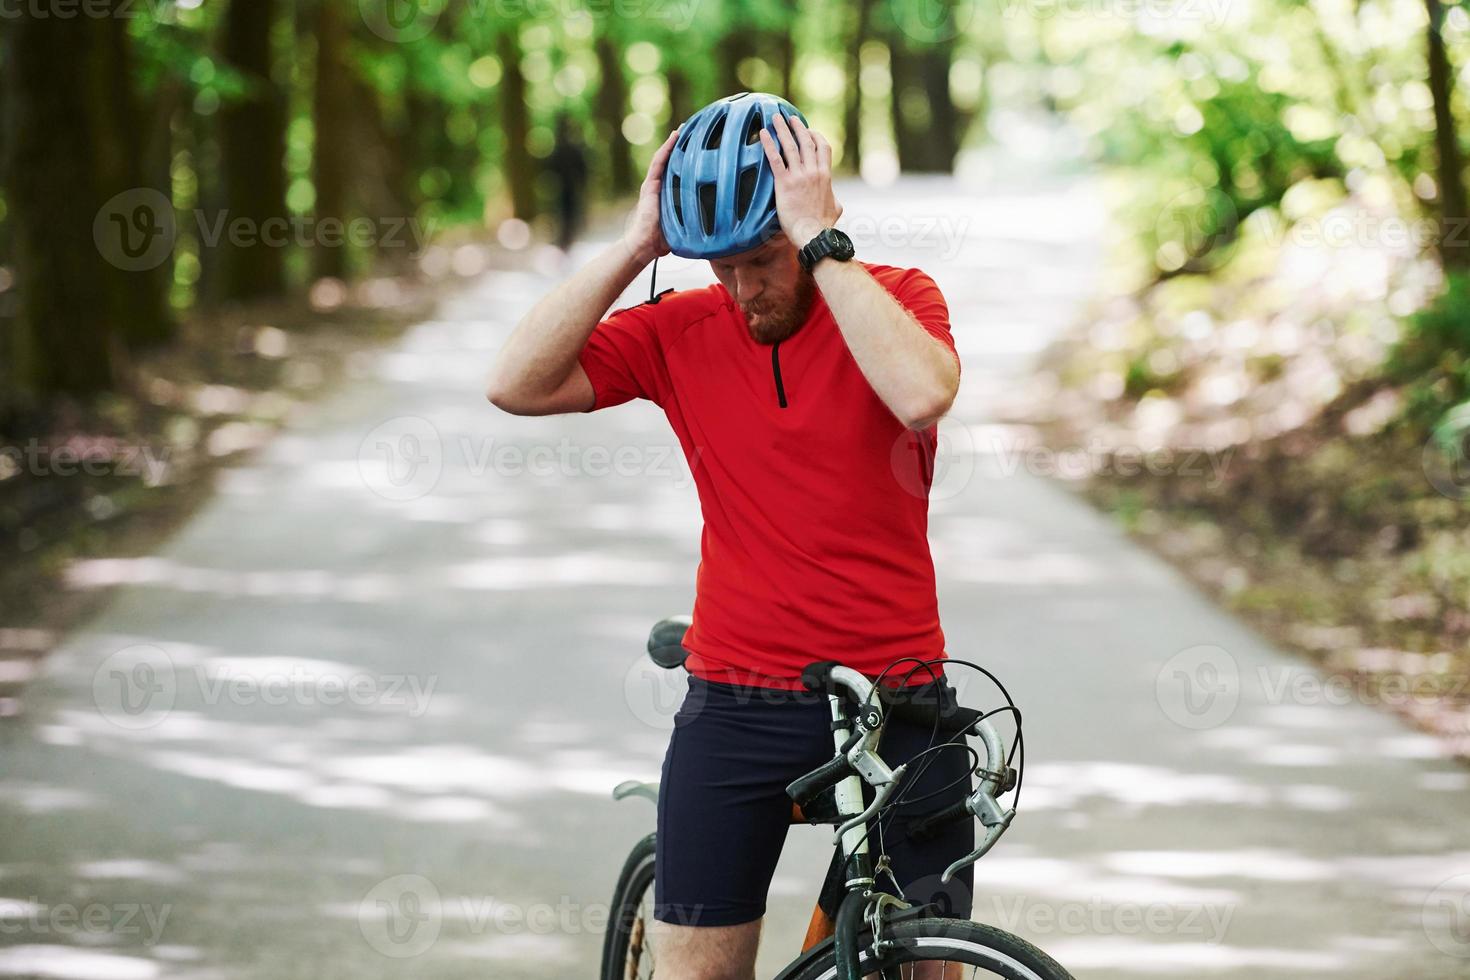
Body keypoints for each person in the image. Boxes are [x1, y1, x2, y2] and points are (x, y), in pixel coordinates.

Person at [486, 92, 971, 980]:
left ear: (810, 226)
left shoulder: (897, 299)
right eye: (721, 266)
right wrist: (637, 245)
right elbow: (514, 382)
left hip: (898, 695)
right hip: (739, 700)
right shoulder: (679, 330)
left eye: (761, 258)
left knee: (924, 970)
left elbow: (921, 395)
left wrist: (822, 247)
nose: (744, 288)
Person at [544, 113, 589, 251]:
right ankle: (566, 240)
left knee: (566, 213)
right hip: (566, 188)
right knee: (567, 213)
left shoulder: (559, 149)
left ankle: (566, 241)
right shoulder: (571, 148)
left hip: (566, 188)